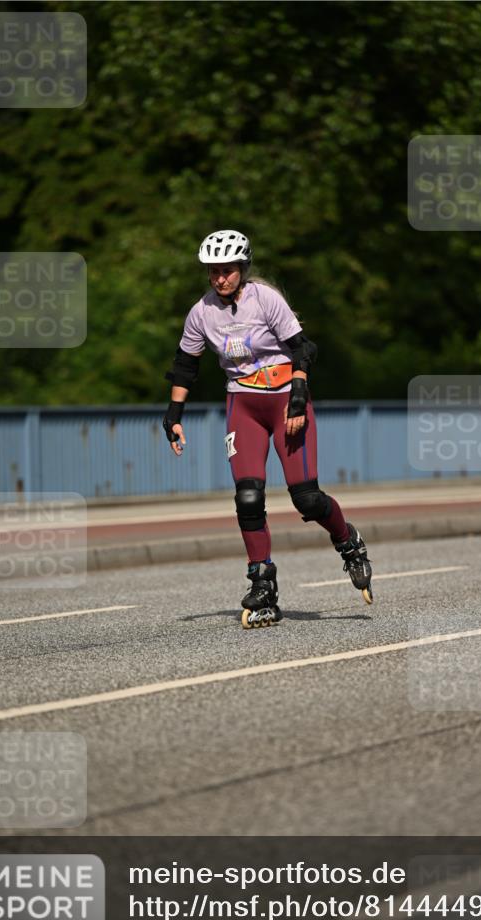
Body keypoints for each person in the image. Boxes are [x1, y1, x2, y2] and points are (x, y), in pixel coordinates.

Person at [163, 229, 372, 628]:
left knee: (306, 499)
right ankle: (262, 584)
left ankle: (348, 541)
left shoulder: (265, 299)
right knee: (247, 497)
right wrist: (173, 415)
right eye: (213, 272)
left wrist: (298, 397)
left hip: (285, 401)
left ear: (242, 268)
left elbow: (302, 349)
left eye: (227, 270)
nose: (219, 278)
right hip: (243, 405)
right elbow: (185, 365)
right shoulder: (201, 312)